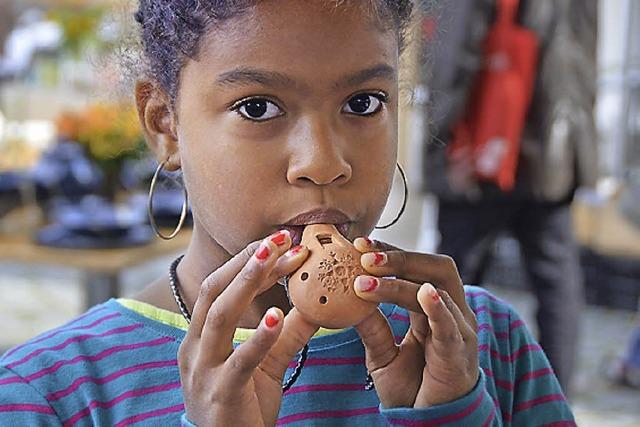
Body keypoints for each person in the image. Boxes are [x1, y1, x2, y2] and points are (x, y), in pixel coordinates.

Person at [0, 1, 575, 425]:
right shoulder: (47, 393)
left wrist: (452, 414)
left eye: (363, 103)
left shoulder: (485, 344)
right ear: (164, 123)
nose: (324, 164)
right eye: (258, 107)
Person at [422, 0, 598, 395]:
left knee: (453, 277)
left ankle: (447, 391)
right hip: (553, 146)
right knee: (556, 279)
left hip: (484, 147)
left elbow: (455, 54)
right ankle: (553, 399)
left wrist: (439, 138)